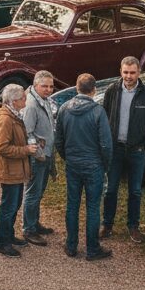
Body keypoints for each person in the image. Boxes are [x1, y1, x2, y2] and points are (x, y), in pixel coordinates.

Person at [101, 56, 145, 242]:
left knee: (135, 191)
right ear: (121, 71)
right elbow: (104, 116)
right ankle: (107, 224)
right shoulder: (112, 90)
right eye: (125, 72)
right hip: (115, 149)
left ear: (139, 72)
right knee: (110, 189)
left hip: (137, 151)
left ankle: (133, 226)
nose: (128, 76)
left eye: (132, 73)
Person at [55, 73, 113, 260]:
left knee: (72, 205)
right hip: (93, 165)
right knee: (93, 207)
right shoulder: (98, 111)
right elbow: (106, 144)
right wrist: (105, 164)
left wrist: (67, 157)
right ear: (94, 90)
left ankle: (71, 246)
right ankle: (92, 249)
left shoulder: (64, 108)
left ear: (76, 88)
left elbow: (59, 139)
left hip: (73, 164)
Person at [0, 84, 37, 257]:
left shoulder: (13, 115)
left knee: (14, 204)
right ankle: (2, 242)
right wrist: (25, 150)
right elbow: (1, 147)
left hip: (16, 170)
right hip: (9, 170)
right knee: (8, 207)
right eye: (23, 98)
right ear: (14, 101)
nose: (26, 100)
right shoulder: (5, 119)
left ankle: (8, 236)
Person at [21, 70, 56, 244]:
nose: (49, 89)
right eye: (44, 86)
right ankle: (28, 229)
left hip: (46, 154)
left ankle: (34, 223)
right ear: (36, 85)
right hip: (37, 157)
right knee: (32, 193)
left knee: (39, 191)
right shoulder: (31, 104)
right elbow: (27, 132)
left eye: (51, 86)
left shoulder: (44, 100)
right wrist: (39, 153)